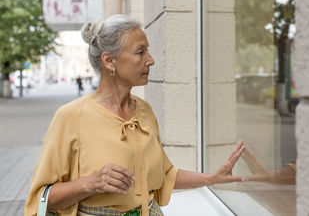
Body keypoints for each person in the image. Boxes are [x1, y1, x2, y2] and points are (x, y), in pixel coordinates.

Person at [24, 14, 245, 216]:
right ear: (109, 60)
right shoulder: (71, 116)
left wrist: (211, 178)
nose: (150, 60)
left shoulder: (144, 110)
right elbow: (42, 197)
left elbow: (164, 175)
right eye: (140, 52)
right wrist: (91, 183)